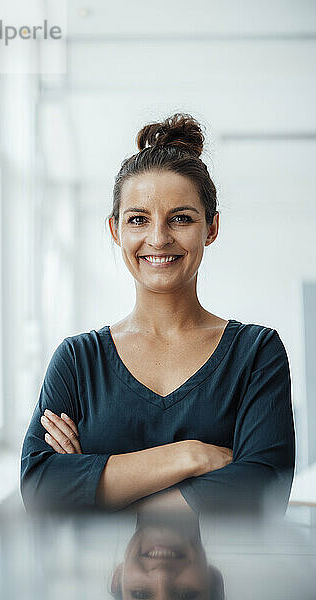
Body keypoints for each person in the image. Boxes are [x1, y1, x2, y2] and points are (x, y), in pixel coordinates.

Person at [20, 113, 295, 515]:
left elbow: (262, 491)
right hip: (97, 579)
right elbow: (42, 489)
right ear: (116, 231)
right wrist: (191, 457)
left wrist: (101, 491)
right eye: (138, 219)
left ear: (211, 228)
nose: (158, 238)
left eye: (181, 218)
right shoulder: (78, 360)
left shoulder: (256, 353)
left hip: (219, 577)